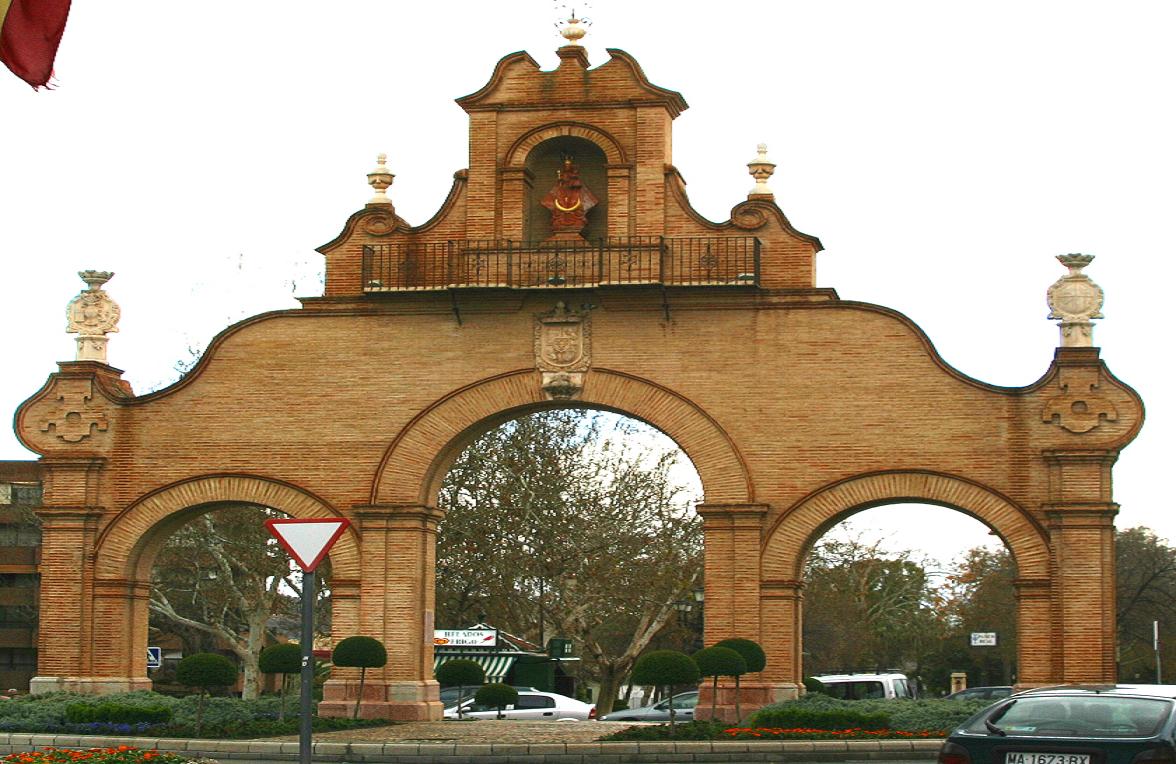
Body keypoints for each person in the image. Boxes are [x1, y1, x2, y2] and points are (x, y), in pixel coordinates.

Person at [541, 156, 597, 238]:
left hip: (574, 196)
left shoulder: (577, 185)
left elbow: (577, 185)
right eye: (566, 166)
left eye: (568, 165)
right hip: (562, 196)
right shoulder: (559, 187)